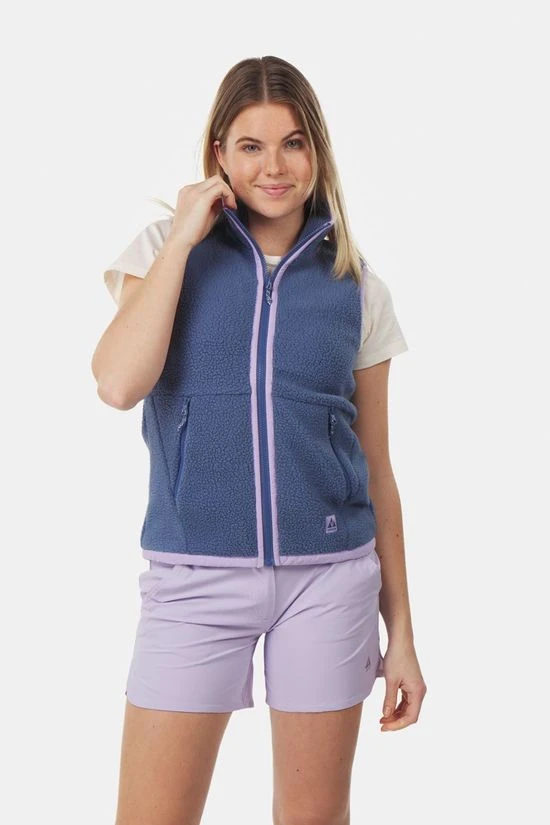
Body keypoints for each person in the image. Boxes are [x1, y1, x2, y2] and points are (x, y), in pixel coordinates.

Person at [92, 55, 427, 825]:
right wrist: (184, 239)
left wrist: (402, 632)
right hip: (193, 582)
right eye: (251, 145)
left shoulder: (356, 284)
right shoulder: (162, 250)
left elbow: (377, 466)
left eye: (293, 143)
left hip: (329, 581)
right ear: (219, 152)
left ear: (317, 152)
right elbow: (116, 382)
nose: (274, 167)